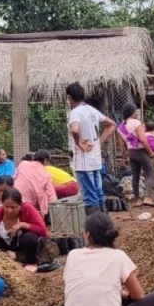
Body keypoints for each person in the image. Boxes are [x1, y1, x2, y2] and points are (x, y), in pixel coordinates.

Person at [67, 82, 116, 215]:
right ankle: (104, 218)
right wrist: (99, 142)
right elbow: (112, 124)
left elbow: (75, 129)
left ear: (70, 97)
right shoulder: (91, 110)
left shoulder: (75, 112)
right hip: (95, 157)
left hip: (84, 161)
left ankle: (95, 222)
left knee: (89, 194)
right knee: (98, 191)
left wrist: (79, 143)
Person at [0, 188, 48, 266]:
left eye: (13, 207)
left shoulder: (28, 209)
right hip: (4, 245)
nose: (9, 210)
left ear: (20, 205)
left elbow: (43, 230)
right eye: (6, 207)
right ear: (2, 204)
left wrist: (22, 225)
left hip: (24, 246)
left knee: (30, 238)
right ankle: (5, 255)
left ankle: (31, 261)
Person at [118, 103, 154, 207]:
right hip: (141, 152)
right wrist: (150, 152)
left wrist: (125, 157)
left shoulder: (121, 126)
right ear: (132, 112)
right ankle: (147, 198)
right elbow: (143, 140)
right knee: (150, 173)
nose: (135, 113)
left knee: (135, 176)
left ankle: (137, 200)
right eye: (135, 111)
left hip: (131, 153)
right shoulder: (136, 123)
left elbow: (121, 144)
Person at [14, 150, 57, 219]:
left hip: (16, 198)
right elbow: (51, 194)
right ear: (45, 160)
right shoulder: (46, 174)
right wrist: (56, 209)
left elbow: (14, 178)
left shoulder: (23, 164)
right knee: (44, 194)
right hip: (33, 205)